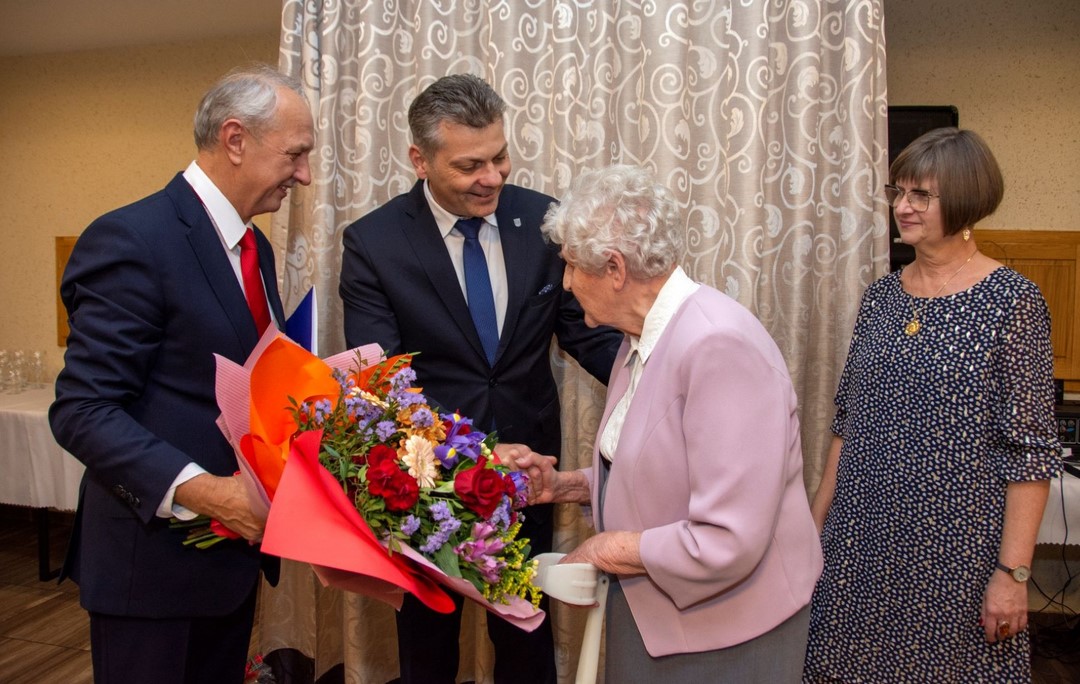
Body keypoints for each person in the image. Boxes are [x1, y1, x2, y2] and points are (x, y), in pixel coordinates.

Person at [338, 73, 622, 683]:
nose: (492, 177)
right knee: (427, 645)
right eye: (469, 165)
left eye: (499, 157)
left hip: (529, 475)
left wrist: (660, 374)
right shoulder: (374, 243)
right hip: (426, 480)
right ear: (420, 160)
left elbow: (586, 333)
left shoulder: (541, 219)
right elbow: (381, 384)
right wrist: (473, 453)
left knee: (526, 639)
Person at [50, 64, 314, 684]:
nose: (304, 174)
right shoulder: (132, 238)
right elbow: (83, 411)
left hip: (227, 566)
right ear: (235, 139)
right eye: (295, 154)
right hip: (151, 569)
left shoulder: (254, 248)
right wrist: (209, 493)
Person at [513, 164, 824, 682]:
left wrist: (607, 548)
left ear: (614, 269)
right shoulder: (641, 334)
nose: (565, 283)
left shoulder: (718, 346)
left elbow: (727, 538)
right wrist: (568, 486)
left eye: (571, 267)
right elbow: (664, 468)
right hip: (661, 611)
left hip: (726, 632)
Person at [802, 128, 1061, 682]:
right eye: (898, 191)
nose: (903, 206)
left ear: (964, 199)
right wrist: (815, 528)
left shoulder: (1012, 302)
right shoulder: (882, 297)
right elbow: (847, 422)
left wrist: (1013, 574)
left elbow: (1030, 452)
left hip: (955, 551)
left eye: (921, 194)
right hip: (861, 538)